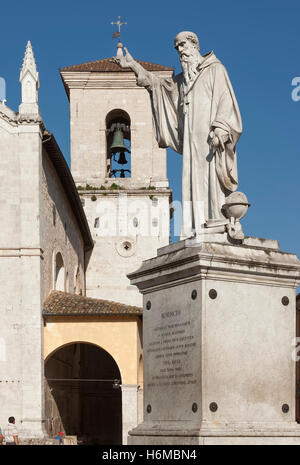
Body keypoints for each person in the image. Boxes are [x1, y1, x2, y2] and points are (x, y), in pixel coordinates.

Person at [114, 32, 242, 239]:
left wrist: (221, 130)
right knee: (192, 180)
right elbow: (157, 86)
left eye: (183, 45)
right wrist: (133, 65)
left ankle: (216, 222)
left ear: (195, 45)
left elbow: (226, 102)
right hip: (192, 142)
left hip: (211, 141)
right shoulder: (182, 81)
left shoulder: (215, 70)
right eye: (177, 48)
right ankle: (196, 226)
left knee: (212, 179)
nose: (180, 51)